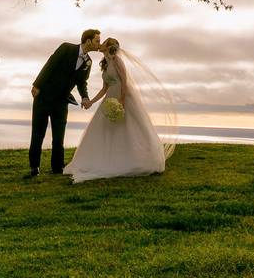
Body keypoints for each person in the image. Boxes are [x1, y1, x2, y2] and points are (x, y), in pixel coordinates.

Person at [64, 37, 177, 183]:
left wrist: (122, 101)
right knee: (107, 129)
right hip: (110, 98)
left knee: (128, 129)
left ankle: (135, 160)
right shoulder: (105, 63)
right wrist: (91, 101)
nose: (101, 44)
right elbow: (104, 88)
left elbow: (124, 81)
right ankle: (108, 159)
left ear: (109, 46)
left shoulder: (117, 60)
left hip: (123, 97)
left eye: (103, 42)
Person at [26, 29, 101, 177]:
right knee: (37, 134)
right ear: (88, 41)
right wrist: (37, 85)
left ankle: (57, 167)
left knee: (59, 137)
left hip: (62, 101)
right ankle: (34, 167)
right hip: (44, 97)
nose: (99, 44)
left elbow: (82, 82)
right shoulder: (66, 48)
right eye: (97, 40)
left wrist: (85, 97)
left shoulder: (89, 62)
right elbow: (50, 64)